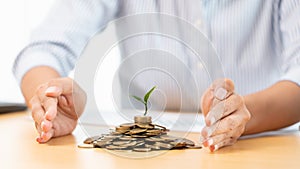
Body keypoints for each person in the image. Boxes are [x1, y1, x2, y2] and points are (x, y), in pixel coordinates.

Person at [13, 0, 300, 152]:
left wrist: (245, 114)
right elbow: (43, 49)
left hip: (258, 149)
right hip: (142, 156)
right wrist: (49, 97)